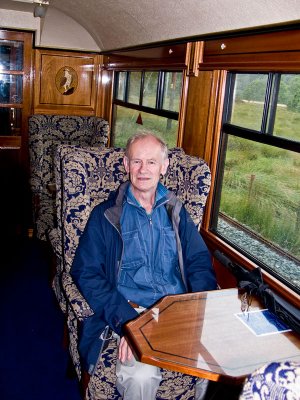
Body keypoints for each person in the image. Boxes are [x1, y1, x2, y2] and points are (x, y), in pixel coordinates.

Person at [71, 132, 218, 399]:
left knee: (219, 357)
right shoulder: (105, 216)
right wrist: (127, 323)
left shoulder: (176, 211)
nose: (143, 170)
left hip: (177, 313)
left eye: (151, 162)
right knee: (140, 376)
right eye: (136, 161)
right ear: (126, 165)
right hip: (131, 312)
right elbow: (86, 272)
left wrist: (199, 309)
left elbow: (198, 262)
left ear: (164, 167)